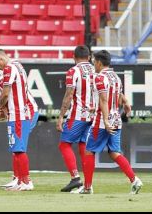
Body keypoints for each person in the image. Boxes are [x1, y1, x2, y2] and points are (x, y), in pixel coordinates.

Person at [74, 50, 142, 195]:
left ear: (98, 62)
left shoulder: (99, 78)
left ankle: (87, 187)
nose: (93, 65)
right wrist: (126, 102)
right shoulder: (115, 77)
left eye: (94, 62)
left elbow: (104, 99)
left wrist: (104, 119)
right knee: (114, 153)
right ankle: (134, 180)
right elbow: (118, 96)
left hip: (102, 122)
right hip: (116, 119)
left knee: (88, 151)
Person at [0, 46, 39, 192]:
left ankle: (26, 181)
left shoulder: (9, 68)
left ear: (0, 58)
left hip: (19, 114)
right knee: (17, 148)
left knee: (18, 148)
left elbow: (5, 93)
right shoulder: (18, 64)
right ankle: (19, 180)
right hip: (19, 113)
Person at [56, 45, 95, 193]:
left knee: (64, 144)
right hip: (93, 114)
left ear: (74, 57)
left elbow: (68, 95)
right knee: (84, 147)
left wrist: (61, 116)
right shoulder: (95, 70)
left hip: (78, 114)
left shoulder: (73, 71)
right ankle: (88, 184)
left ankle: (75, 178)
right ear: (89, 57)